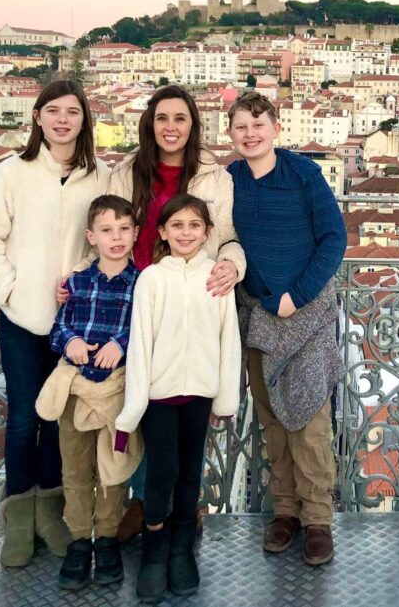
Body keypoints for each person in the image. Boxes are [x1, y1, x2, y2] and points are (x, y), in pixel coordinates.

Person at [0, 79, 110, 568]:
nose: (63, 119)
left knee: (60, 421)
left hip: (75, 324)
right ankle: (19, 519)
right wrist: (11, 292)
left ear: (84, 120)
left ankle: (53, 514)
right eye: (54, 111)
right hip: (24, 319)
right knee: (25, 418)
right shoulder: (13, 173)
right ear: (37, 118)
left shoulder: (100, 175)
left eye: (73, 111)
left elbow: (109, 239)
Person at [103, 84, 245, 541]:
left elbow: (226, 238)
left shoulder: (214, 177)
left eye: (180, 118)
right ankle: (144, 499)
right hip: (139, 292)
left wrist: (232, 266)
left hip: (190, 296)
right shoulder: (127, 171)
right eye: (162, 118)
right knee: (141, 394)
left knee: (182, 401)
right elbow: (112, 230)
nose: (170, 127)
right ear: (150, 123)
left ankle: (168, 504)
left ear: (192, 125)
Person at [225, 91, 347, 566]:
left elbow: (333, 236)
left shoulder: (303, 173)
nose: (250, 134)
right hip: (257, 314)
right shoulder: (230, 179)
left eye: (258, 124)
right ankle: (285, 513)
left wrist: (297, 295)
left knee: (310, 420)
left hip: (306, 311)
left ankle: (318, 520)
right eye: (240, 127)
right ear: (230, 133)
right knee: (272, 419)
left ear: (275, 127)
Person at [115, 194, 241, 603]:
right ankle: (155, 547)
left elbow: (229, 341)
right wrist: (133, 407)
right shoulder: (151, 278)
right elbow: (140, 345)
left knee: (190, 473)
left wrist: (226, 399)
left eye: (194, 226)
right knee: (161, 472)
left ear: (206, 233)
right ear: (164, 233)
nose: (186, 233)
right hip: (159, 395)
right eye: (178, 226)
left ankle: (183, 546)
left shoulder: (216, 277)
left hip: (200, 392)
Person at [34, 195, 144, 590]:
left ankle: (109, 538)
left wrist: (121, 342)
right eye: (106, 230)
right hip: (76, 390)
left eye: (124, 229)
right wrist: (71, 342)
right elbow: (58, 328)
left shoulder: (142, 282)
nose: (116, 238)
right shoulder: (76, 283)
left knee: (114, 469)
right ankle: (81, 539)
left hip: (117, 391)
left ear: (135, 233)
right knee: (76, 469)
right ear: (91, 237)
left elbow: (148, 329)